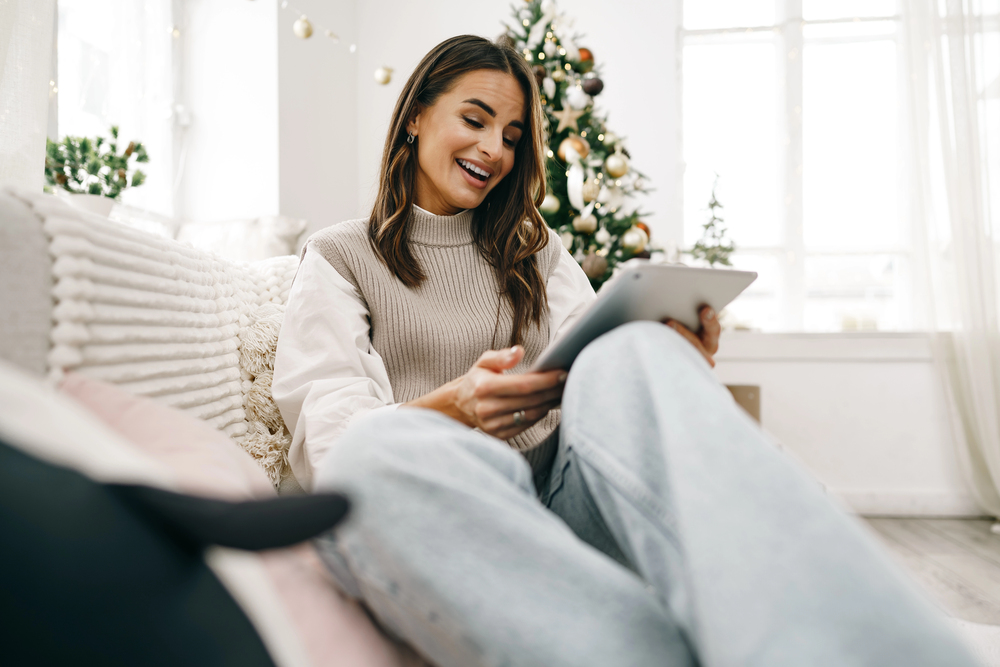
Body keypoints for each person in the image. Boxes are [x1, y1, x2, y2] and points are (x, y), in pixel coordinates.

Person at [272, 35, 977, 667]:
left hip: (572, 507)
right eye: (476, 119)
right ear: (417, 114)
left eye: (513, 134)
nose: (495, 149)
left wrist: (665, 352)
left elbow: (599, 360)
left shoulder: (535, 252)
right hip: (469, 523)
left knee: (629, 351)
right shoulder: (340, 256)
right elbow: (331, 441)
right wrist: (450, 410)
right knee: (373, 454)